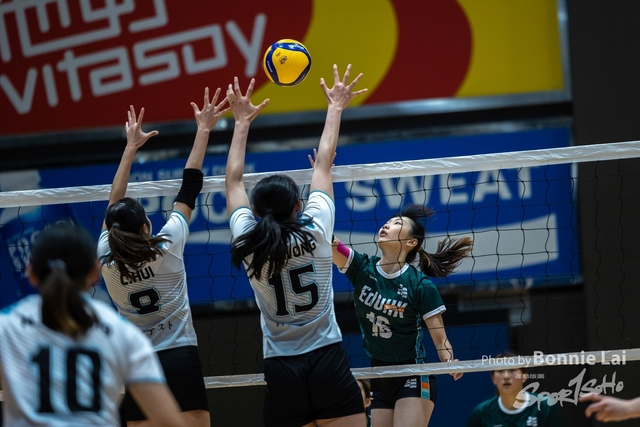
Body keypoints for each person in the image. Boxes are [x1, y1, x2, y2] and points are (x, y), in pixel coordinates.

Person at [225, 65, 367, 427]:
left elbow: (233, 181)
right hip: (327, 359)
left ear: (256, 212)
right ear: (299, 206)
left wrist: (240, 122)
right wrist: (335, 107)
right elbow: (323, 164)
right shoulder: (316, 230)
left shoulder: (248, 240)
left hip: (281, 367)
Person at [98, 87, 228, 426]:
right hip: (179, 356)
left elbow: (113, 205)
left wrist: (129, 149)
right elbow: (190, 187)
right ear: (146, 227)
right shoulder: (166, 245)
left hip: (137, 363)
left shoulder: (105, 256)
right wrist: (204, 129)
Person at [0, 222, 186, 427]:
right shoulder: (122, 332)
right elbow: (170, 423)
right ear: (95, 272)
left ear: (31, 273)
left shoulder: (7, 326)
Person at [331, 204, 471, 426]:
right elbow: (329, 242)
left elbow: (440, 339)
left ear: (411, 242)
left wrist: (448, 360)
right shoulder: (361, 267)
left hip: (412, 372)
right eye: (388, 221)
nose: (387, 225)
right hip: (380, 373)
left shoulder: (420, 285)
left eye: (397, 223)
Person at [466, 352, 566, 427]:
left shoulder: (545, 406)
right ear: (493, 378)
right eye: (500, 371)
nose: (506, 376)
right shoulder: (481, 413)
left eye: (512, 370)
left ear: (524, 376)